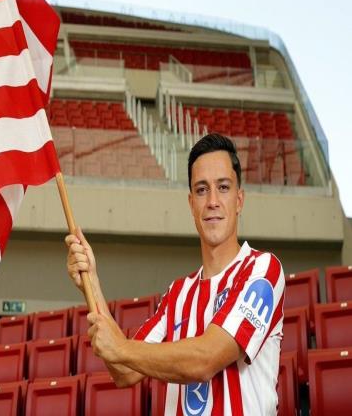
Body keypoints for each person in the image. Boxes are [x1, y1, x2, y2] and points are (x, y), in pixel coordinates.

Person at [65, 133, 285, 415]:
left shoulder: (263, 270)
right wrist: (91, 283)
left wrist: (119, 347)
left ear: (239, 200)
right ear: (191, 203)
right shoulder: (178, 293)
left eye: (223, 187)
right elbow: (124, 372)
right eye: (202, 190)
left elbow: (206, 360)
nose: (213, 201)